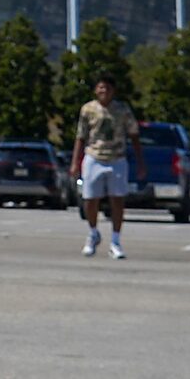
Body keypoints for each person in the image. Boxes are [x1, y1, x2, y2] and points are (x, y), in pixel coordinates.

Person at [72, 75, 136, 259]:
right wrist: (76, 161)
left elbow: (133, 133)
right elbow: (80, 136)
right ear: (95, 90)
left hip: (117, 157)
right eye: (100, 88)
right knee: (90, 199)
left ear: (113, 90)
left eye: (107, 88)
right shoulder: (88, 109)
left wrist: (140, 161)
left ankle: (115, 241)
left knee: (117, 200)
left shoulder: (122, 109)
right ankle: (93, 233)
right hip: (94, 156)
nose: (104, 91)